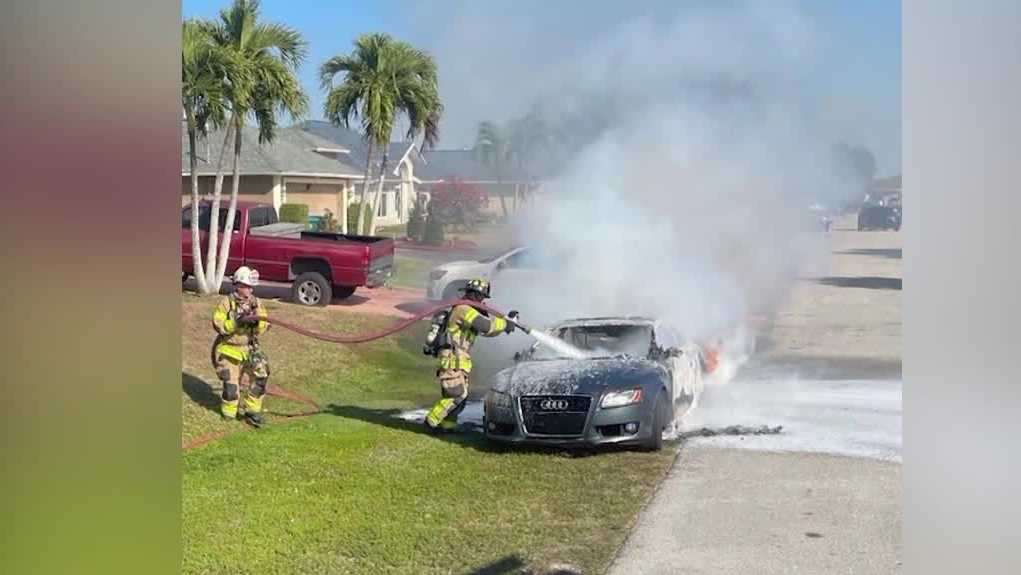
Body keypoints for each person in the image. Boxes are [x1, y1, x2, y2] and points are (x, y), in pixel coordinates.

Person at [424, 278, 516, 432]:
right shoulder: (464, 309)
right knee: (456, 395)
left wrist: (504, 324)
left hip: (459, 358)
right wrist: (506, 324)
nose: (481, 300)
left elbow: (486, 331)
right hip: (453, 358)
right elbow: (486, 327)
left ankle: (447, 426)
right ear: (473, 294)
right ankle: (431, 422)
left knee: (461, 398)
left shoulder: (467, 310)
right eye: (480, 297)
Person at [211, 266, 270, 427]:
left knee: (261, 377)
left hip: (250, 349)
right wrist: (237, 321)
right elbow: (219, 324)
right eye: (247, 286)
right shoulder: (226, 303)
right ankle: (229, 414)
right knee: (231, 387)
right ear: (238, 285)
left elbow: (264, 324)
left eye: (251, 287)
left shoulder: (256, 303)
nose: (250, 290)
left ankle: (252, 412)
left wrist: (258, 322)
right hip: (230, 350)